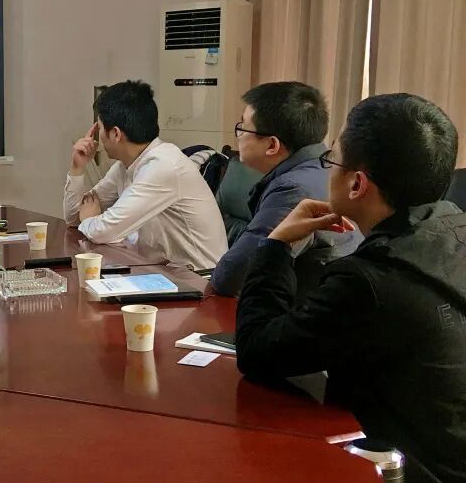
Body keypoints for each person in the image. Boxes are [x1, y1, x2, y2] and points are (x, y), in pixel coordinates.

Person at [236, 93, 466, 483]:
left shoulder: (368, 281)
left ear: (357, 183)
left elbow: (256, 351)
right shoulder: (456, 230)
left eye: (332, 159)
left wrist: (276, 245)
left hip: (405, 470)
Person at [210, 82, 361, 296]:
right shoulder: (322, 169)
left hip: (309, 310)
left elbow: (232, 277)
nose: (239, 135)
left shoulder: (294, 189)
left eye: (242, 127)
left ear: (272, 145)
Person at [63, 80, 227, 271]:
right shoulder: (125, 165)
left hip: (201, 279)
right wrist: (77, 167)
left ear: (115, 134)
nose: (96, 136)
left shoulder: (163, 166)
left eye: (99, 128)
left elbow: (104, 231)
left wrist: (89, 219)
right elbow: (73, 219)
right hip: (163, 271)